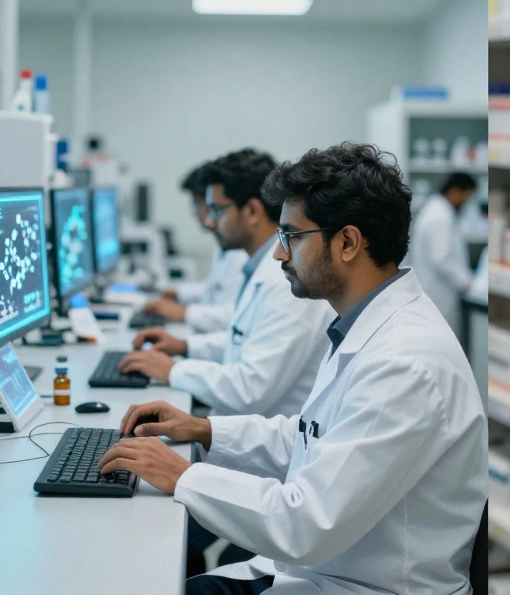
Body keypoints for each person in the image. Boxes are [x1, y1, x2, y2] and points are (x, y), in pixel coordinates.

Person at [99, 143, 488, 595]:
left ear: (347, 242)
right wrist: (205, 430)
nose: (279, 255)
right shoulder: (368, 325)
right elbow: (312, 436)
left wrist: (183, 475)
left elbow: (307, 525)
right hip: (327, 570)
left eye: (291, 237)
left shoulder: (403, 363)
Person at [119, 148, 332, 418]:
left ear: (253, 210)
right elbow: (242, 340)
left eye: (217, 210)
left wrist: (173, 369)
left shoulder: (287, 281)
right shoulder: (258, 266)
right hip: (239, 430)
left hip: (258, 446)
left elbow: (250, 389)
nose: (209, 221)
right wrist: (186, 346)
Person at [141, 162, 248, 333]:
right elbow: (216, 287)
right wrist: (176, 292)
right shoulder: (227, 244)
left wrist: (184, 313)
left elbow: (238, 316)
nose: (199, 215)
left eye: (197, 205)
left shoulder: (241, 252)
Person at [408, 172, 478, 338]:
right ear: (455, 191)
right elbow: (442, 259)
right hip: (437, 295)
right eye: (466, 196)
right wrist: (467, 282)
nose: (466, 203)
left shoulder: (437, 210)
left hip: (435, 292)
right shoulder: (439, 216)